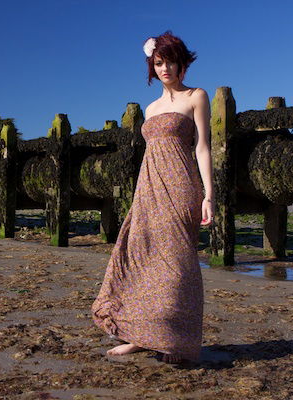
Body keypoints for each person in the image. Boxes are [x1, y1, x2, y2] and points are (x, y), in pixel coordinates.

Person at [90, 30, 215, 364]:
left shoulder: (196, 97)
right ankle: (138, 336)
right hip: (148, 188)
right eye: (159, 63)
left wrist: (209, 195)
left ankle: (176, 339)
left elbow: (202, 147)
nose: (165, 69)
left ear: (183, 64)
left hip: (181, 187)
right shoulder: (150, 108)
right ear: (152, 67)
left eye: (171, 62)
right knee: (143, 260)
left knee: (176, 265)